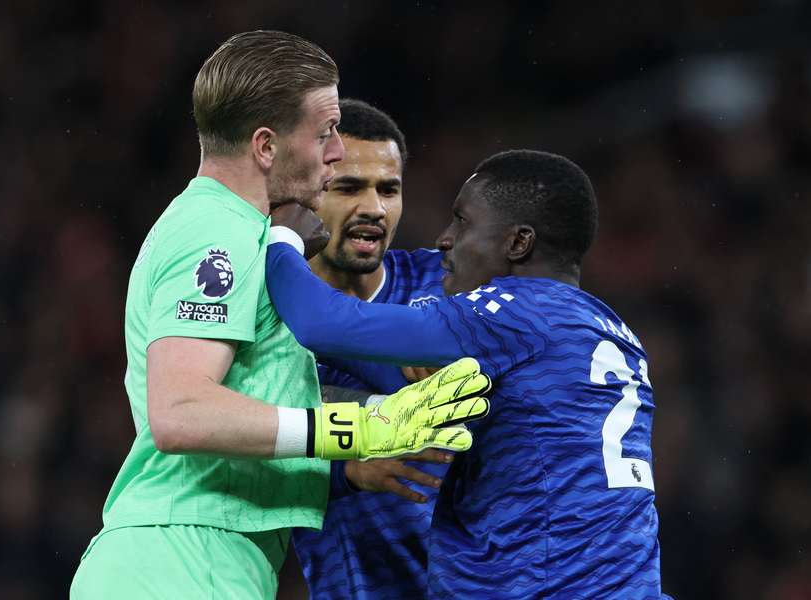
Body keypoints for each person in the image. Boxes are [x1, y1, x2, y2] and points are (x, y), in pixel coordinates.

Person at [69, 30, 489, 600]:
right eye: (325, 133)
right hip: (182, 561)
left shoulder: (234, 231)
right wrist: (355, 430)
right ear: (266, 147)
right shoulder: (216, 233)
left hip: (202, 558)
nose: (337, 149)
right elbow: (180, 411)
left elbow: (251, 391)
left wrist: (376, 412)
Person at [267, 149, 667, 598]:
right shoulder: (606, 327)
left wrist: (281, 237)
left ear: (518, 243)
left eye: (463, 222)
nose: (444, 238)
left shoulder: (511, 313)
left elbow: (323, 323)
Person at [291, 99, 449, 599]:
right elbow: (227, 441)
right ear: (308, 192)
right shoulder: (268, 315)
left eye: (389, 189)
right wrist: (346, 470)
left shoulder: (447, 286)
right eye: (349, 187)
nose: (374, 208)